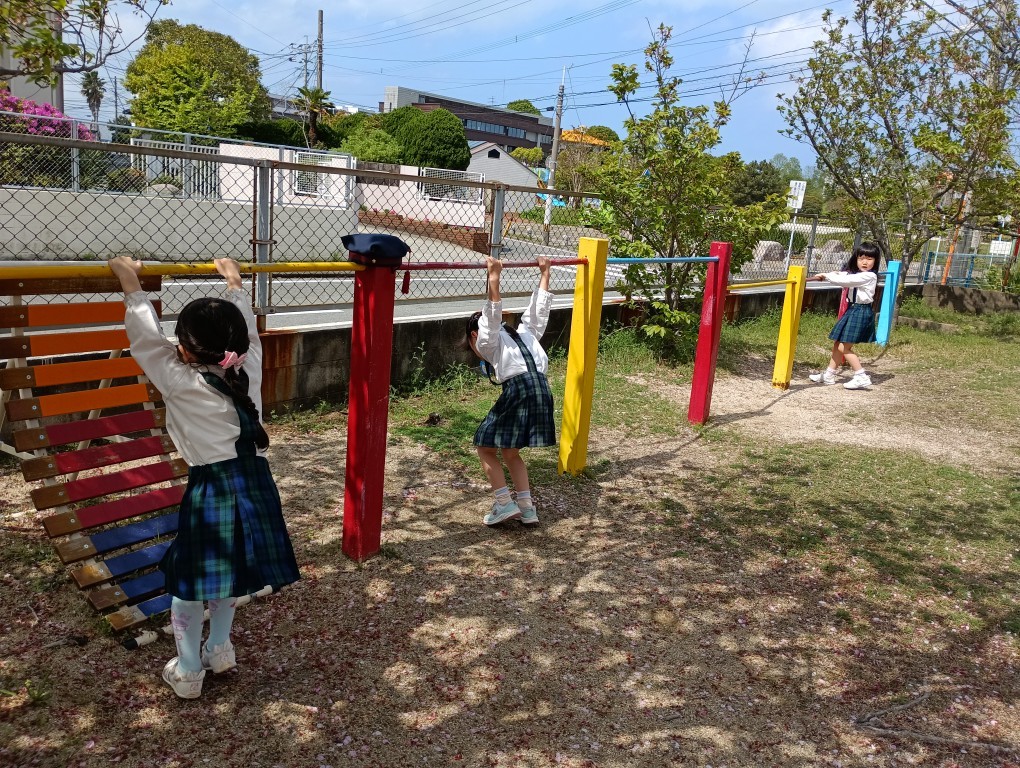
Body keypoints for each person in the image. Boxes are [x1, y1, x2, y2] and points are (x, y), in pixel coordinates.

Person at [108, 256, 300, 699]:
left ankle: (189, 670)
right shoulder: (249, 364)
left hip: (213, 488)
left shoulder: (177, 379)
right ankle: (219, 649)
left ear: (186, 349)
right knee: (227, 572)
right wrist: (235, 283)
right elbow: (249, 331)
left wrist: (129, 278)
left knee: (191, 581)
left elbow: (145, 337)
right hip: (256, 483)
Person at [465, 256, 556, 527]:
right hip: (543, 389)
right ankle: (527, 508)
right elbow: (539, 311)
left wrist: (493, 277)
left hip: (519, 390)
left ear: (473, 336)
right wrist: (545, 273)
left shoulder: (488, 342)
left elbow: (491, 318)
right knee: (510, 451)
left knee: (484, 445)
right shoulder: (527, 334)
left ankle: (504, 503)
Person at [808, 242, 881, 390]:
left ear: (875, 261)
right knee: (838, 344)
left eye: (869, 259)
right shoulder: (857, 274)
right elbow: (844, 275)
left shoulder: (869, 276)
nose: (865, 262)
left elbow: (846, 281)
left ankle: (861, 376)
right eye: (861, 258)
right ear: (856, 259)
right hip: (853, 310)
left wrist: (827, 276)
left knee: (844, 347)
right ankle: (829, 375)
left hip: (861, 311)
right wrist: (825, 274)